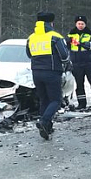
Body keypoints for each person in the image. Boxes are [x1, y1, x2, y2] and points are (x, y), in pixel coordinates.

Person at [26, 12, 71, 140]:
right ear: (51, 23)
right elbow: (64, 56)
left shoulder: (31, 37)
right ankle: (44, 121)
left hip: (36, 72)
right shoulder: (55, 37)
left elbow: (29, 54)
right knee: (56, 100)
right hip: (51, 72)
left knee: (44, 100)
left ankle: (48, 128)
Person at [67, 15, 91, 110]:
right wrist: (68, 42)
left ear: (85, 24)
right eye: (79, 24)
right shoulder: (71, 34)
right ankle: (81, 104)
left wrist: (80, 44)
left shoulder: (90, 33)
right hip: (76, 63)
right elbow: (66, 47)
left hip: (89, 63)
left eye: (82, 24)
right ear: (76, 24)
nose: (80, 25)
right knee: (79, 84)